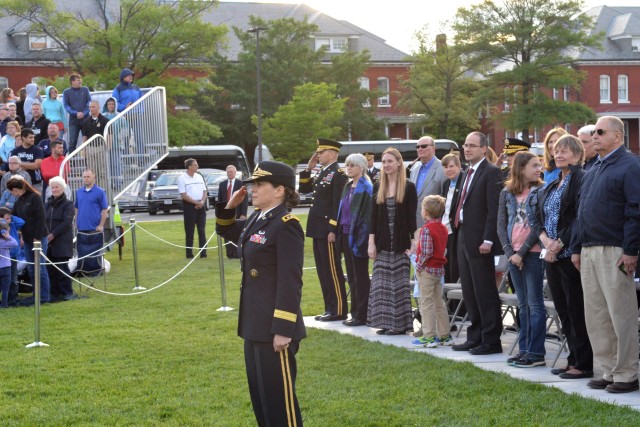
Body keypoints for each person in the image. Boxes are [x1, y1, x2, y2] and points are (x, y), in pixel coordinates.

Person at [215, 160, 305, 427]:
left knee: (281, 403)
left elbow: (291, 281)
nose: (252, 189)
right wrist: (230, 206)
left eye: (259, 184)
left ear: (280, 190)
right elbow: (225, 229)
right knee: (262, 398)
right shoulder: (258, 217)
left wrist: (283, 328)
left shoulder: (286, 224)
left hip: (275, 327)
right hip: (254, 323)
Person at [573, 116, 640, 393]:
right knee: (597, 315)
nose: (595, 135)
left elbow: (635, 209)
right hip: (589, 249)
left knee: (619, 314)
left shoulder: (630, 165)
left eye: (600, 131)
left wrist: (631, 250)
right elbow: (581, 211)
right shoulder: (594, 168)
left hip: (614, 249)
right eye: (593, 132)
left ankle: (626, 373)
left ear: (618, 136)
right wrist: (576, 247)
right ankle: (607, 369)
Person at [534, 134, 593, 379]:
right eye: (557, 151)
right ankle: (572, 359)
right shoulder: (554, 181)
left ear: (578, 155)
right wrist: (546, 241)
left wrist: (559, 243)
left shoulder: (582, 179)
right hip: (551, 254)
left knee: (576, 309)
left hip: (570, 254)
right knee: (563, 310)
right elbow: (540, 217)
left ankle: (584, 363)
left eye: (565, 151)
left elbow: (580, 217)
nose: (559, 154)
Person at [450, 131, 503, 355]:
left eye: (472, 145)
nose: (467, 149)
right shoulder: (466, 173)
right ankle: (475, 336)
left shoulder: (491, 172)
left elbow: (494, 209)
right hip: (463, 236)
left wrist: (489, 239)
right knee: (469, 291)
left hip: (481, 240)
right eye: (465, 144)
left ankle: (491, 341)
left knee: (484, 291)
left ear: (484, 149)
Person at [497, 151, 546, 367]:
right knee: (523, 304)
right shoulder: (506, 193)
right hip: (513, 255)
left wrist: (522, 253)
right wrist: (510, 254)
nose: (539, 169)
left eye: (539, 165)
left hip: (532, 254)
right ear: (521, 168)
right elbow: (501, 225)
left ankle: (536, 353)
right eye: (534, 165)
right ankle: (524, 349)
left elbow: (539, 227)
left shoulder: (542, 191)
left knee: (536, 304)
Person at [367, 147, 417, 335]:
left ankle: (400, 325)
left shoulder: (409, 186)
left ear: (398, 163)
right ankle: (385, 322)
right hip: (381, 242)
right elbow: (372, 216)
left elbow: (412, 217)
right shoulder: (378, 186)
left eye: (390, 161)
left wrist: (414, 242)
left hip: (401, 242)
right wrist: (371, 242)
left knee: (399, 284)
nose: (386, 165)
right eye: (384, 162)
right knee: (381, 284)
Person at [299, 138, 348, 321]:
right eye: (317, 152)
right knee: (322, 270)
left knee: (332, 270)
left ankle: (339, 309)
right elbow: (304, 189)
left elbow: (338, 204)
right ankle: (329, 308)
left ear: (333, 154)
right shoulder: (322, 172)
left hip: (328, 229)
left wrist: (332, 229)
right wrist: (308, 169)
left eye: (321, 152)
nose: (317, 155)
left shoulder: (338, 173)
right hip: (317, 228)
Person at [410, 194, 453, 347]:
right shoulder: (442, 228)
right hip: (439, 270)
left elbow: (427, 252)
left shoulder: (426, 229)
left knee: (426, 302)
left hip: (427, 270)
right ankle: (444, 335)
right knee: (439, 302)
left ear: (426, 212)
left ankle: (429, 335)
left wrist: (419, 266)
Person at [337, 153, 373, 327]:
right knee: (351, 276)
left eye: (352, 165)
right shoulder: (348, 186)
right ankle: (355, 312)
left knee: (360, 276)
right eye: (347, 165)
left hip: (358, 237)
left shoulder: (366, 187)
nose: (348, 168)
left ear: (361, 167)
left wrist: (361, 241)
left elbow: (366, 218)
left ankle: (362, 314)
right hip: (345, 234)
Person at [8, 176, 50, 304]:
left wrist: (37, 237)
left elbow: (41, 218)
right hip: (26, 238)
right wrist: (21, 236)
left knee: (40, 267)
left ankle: (44, 296)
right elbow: (14, 217)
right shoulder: (18, 201)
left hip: (39, 237)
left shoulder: (35, 197)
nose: (12, 194)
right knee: (31, 268)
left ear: (17, 189)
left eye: (12, 191)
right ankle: (36, 294)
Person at [45, 176, 76, 302]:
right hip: (48, 242)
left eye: (57, 187)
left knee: (62, 268)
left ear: (62, 188)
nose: (54, 189)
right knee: (50, 269)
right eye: (52, 187)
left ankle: (67, 292)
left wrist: (52, 235)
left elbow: (66, 223)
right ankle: (54, 293)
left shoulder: (69, 204)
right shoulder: (47, 204)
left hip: (62, 241)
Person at [409, 135, 445, 228]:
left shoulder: (443, 168)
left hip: (434, 224)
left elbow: (445, 198)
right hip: (414, 222)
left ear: (433, 148)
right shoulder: (414, 169)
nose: (420, 149)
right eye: (417, 147)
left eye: (424, 146)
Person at [177, 158, 207, 259]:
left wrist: (202, 202)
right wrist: (195, 202)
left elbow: (204, 191)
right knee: (190, 231)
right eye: (195, 165)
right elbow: (183, 194)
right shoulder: (182, 178)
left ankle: (203, 253)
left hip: (201, 205)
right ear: (189, 167)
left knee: (201, 230)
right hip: (189, 206)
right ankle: (189, 254)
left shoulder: (199, 176)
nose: (197, 166)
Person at [440, 153, 462, 284]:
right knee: (446, 268)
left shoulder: (463, 181)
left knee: (456, 269)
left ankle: (458, 304)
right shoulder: (446, 183)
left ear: (458, 166)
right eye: (445, 167)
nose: (448, 170)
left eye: (451, 166)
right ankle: (449, 304)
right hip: (445, 232)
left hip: (456, 231)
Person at [217, 164, 248, 259]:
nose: (229, 173)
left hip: (238, 212)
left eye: (231, 172)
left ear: (235, 173)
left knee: (237, 233)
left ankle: (237, 253)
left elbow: (245, 200)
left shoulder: (241, 184)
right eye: (228, 172)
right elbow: (220, 200)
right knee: (227, 232)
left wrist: (243, 214)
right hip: (226, 213)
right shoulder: (222, 184)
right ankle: (229, 253)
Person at [82, 100, 110, 187]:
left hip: (101, 147)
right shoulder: (86, 122)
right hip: (90, 148)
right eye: (90, 107)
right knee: (92, 171)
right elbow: (84, 137)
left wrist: (107, 148)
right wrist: (84, 149)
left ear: (98, 107)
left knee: (102, 171)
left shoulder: (105, 120)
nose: (91, 109)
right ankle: (93, 189)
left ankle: (103, 189)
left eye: (93, 107)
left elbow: (109, 135)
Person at [0, 207, 24, 306]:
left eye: (10, 218)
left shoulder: (12, 225)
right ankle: (6, 301)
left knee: (13, 279)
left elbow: (22, 222)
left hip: (13, 257)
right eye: (7, 218)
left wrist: (10, 215)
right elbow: (14, 243)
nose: (10, 220)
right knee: (7, 281)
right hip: (6, 260)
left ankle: (12, 299)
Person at [63, 74, 91, 153]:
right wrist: (76, 113)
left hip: (86, 119)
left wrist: (84, 113)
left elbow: (89, 102)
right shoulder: (66, 92)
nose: (80, 81)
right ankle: (72, 163)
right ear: (72, 81)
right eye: (78, 80)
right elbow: (66, 105)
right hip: (73, 120)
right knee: (72, 142)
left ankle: (88, 162)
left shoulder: (85, 89)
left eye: (80, 79)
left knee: (88, 140)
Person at [75, 169, 108, 234]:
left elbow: (104, 209)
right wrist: (76, 222)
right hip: (81, 228)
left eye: (88, 177)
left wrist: (101, 225)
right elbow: (76, 208)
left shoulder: (100, 192)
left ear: (93, 177)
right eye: (84, 177)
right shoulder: (79, 192)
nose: (86, 179)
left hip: (95, 228)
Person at [10, 128, 44, 193]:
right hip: (19, 183)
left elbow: (37, 165)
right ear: (23, 138)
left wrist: (20, 163)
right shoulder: (15, 151)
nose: (33, 139)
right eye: (30, 137)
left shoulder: (37, 150)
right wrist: (30, 164)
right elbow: (13, 166)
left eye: (33, 137)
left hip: (35, 183)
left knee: (36, 202)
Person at [0, 218, 18, 308]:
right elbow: (15, 243)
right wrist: (8, 237)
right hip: (6, 267)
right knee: (5, 287)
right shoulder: (4, 242)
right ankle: (4, 304)